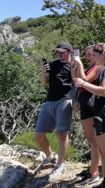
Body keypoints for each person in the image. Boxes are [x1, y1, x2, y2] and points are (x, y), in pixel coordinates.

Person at [73, 43, 105, 188]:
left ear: (104, 55)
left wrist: (83, 83)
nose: (92, 58)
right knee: (104, 152)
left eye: (94, 55)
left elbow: (104, 90)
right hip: (102, 111)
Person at [35, 42, 74, 179]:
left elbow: (78, 83)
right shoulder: (52, 64)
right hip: (49, 101)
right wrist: (43, 70)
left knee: (62, 133)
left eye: (62, 51)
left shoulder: (74, 65)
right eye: (57, 52)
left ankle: (60, 164)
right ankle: (50, 157)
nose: (59, 54)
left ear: (69, 51)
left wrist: (76, 103)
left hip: (65, 99)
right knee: (39, 135)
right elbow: (44, 82)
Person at [71, 45, 103, 187]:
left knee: (94, 140)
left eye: (91, 54)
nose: (89, 56)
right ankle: (92, 169)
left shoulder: (98, 66)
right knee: (90, 139)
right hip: (85, 102)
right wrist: (74, 68)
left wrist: (80, 64)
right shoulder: (91, 66)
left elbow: (85, 80)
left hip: (91, 103)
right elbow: (77, 83)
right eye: (87, 54)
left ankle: (94, 172)